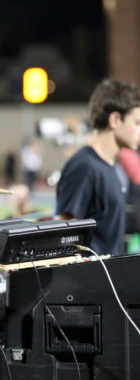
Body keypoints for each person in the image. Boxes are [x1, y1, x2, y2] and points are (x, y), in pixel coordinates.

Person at [56, 79, 140, 256]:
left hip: (111, 277)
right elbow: (62, 236)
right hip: (90, 281)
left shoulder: (112, 165)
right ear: (115, 119)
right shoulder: (84, 167)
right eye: (137, 123)